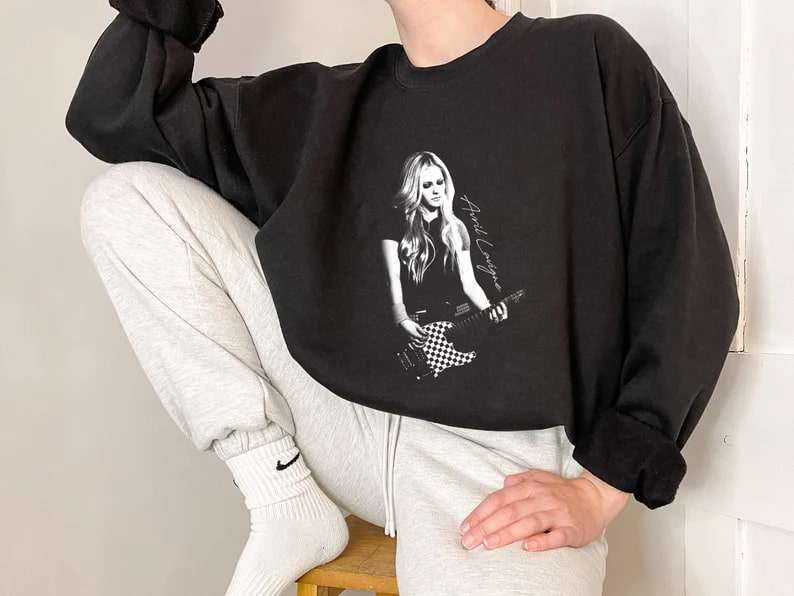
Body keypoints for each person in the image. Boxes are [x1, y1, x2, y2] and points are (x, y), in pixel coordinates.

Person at [65, 0, 740, 594]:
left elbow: (689, 285)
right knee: (126, 200)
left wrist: (600, 488)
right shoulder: (324, 106)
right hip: (341, 423)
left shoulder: (586, 60)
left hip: (498, 469)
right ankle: (281, 497)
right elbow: (114, 113)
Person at [381, 150, 509, 375]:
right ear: (414, 187)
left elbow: (469, 283)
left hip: (453, 325)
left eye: (440, 182)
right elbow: (393, 277)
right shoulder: (394, 223)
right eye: (427, 185)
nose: (436, 190)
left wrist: (490, 310)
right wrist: (401, 318)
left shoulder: (456, 227)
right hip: (416, 325)